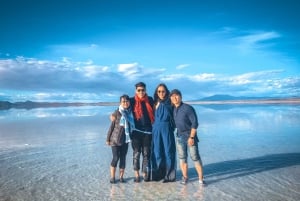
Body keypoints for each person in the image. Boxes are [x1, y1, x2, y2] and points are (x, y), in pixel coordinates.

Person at [169, 89, 205, 185]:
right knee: (182, 158)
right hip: (179, 137)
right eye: (172, 96)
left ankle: (201, 179)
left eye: (176, 95)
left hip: (190, 137)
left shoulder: (187, 108)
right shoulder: (173, 109)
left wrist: (192, 137)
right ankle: (185, 178)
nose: (175, 98)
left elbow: (195, 123)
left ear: (181, 97)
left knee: (195, 157)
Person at [106, 94, 135, 184]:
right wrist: (107, 139)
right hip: (114, 140)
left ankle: (121, 177)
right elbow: (111, 127)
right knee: (116, 157)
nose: (125, 103)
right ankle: (112, 177)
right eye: (123, 101)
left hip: (125, 140)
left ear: (129, 102)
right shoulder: (117, 113)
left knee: (123, 158)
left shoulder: (130, 113)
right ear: (120, 103)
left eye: (127, 101)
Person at [151, 83, 176, 182]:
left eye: (163, 91)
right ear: (156, 92)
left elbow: (180, 108)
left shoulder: (170, 102)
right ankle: (159, 173)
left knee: (168, 152)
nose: (161, 93)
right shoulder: (154, 103)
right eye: (159, 91)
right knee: (157, 152)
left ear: (166, 92)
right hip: (156, 129)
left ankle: (169, 175)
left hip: (167, 129)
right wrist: (116, 113)